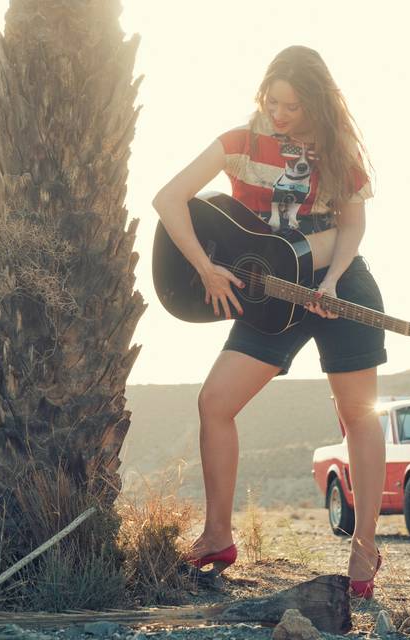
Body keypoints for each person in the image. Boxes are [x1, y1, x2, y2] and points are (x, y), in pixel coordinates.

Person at [152, 45, 386, 599]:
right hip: (267, 293)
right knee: (215, 402)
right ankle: (217, 535)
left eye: (293, 107)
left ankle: (365, 548)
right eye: (272, 102)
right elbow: (168, 199)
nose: (279, 115)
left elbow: (352, 226)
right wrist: (206, 267)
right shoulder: (240, 142)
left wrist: (330, 282)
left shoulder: (338, 150)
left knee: (357, 414)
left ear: (318, 106)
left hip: (339, 286)